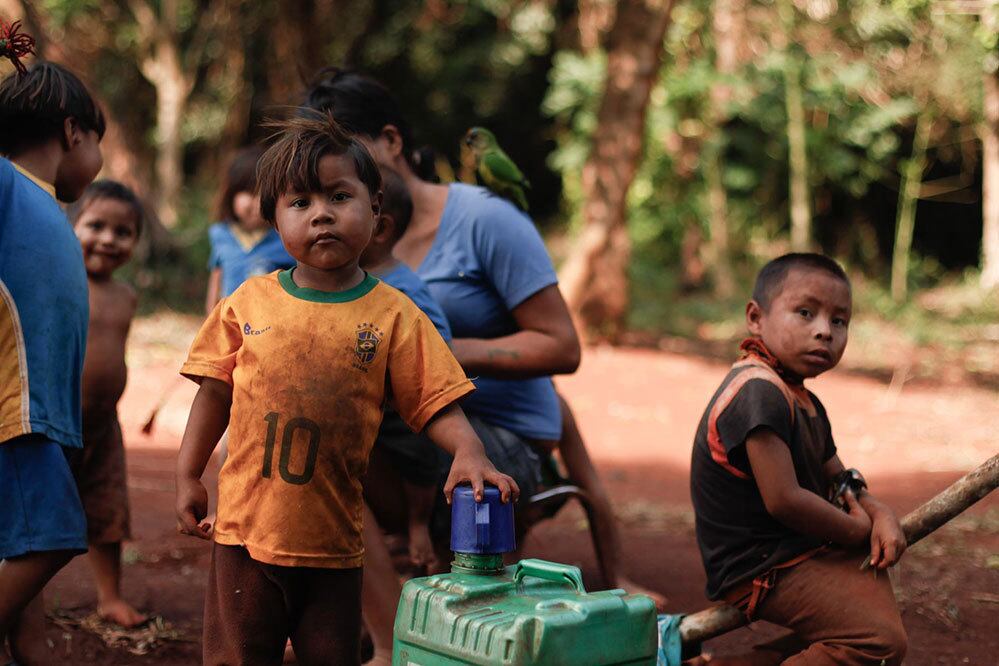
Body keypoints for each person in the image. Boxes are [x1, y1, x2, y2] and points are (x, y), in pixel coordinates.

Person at [303, 68, 665, 607]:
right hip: (401, 426)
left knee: (357, 440)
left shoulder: (483, 221)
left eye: (344, 152)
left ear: (391, 142)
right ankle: (365, 616)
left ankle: (412, 623)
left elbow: (562, 345)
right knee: (302, 429)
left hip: (502, 437)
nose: (330, 176)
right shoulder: (335, 234)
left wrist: (436, 356)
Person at [174, 112, 517, 666]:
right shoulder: (247, 303)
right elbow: (213, 392)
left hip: (334, 548)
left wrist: (469, 450)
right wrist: (188, 473)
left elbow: (432, 399)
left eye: (339, 196)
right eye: (300, 203)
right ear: (274, 220)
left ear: (376, 210)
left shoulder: (394, 315)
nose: (322, 215)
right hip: (244, 536)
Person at [689, 253, 907, 665]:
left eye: (839, 321)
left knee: (871, 614)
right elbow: (784, 500)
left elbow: (841, 479)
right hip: (758, 567)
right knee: (878, 640)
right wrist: (856, 531)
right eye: (805, 313)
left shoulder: (802, 398)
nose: (824, 331)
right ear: (756, 317)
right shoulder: (758, 392)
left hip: (793, 553)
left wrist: (878, 512)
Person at [0, 62, 105, 664]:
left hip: (38, 416)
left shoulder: (46, 209)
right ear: (73, 132)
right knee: (54, 536)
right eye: (99, 144)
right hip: (17, 410)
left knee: (21, 544)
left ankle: (32, 654)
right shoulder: (11, 187)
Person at [68, 180, 146, 628]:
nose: (108, 240)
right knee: (32, 513)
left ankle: (110, 596)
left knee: (107, 511)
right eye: (95, 225)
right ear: (72, 225)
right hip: (55, 423)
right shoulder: (62, 283)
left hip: (103, 425)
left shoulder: (127, 295)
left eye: (123, 232)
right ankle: (21, 599)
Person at [205, 145, 294, 314]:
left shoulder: (284, 240)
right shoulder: (221, 234)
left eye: (262, 194)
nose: (254, 202)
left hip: (270, 326)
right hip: (229, 325)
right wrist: (210, 321)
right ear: (231, 194)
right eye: (247, 192)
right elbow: (216, 283)